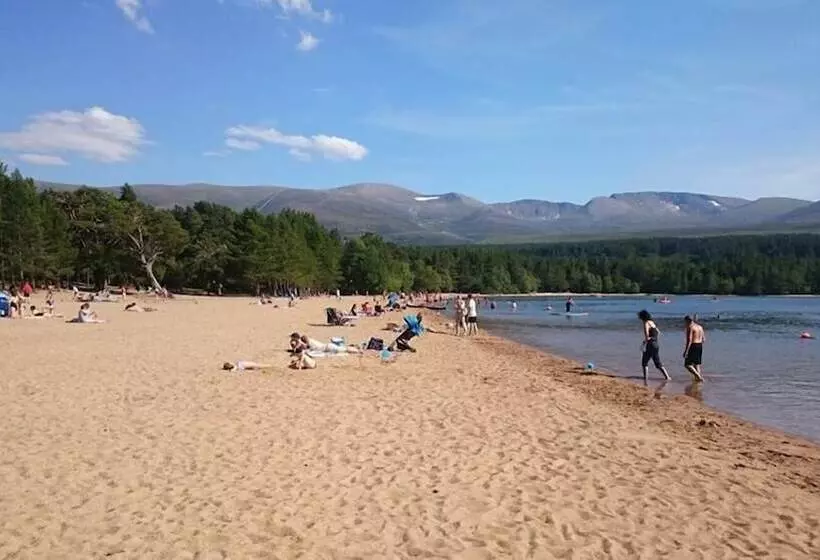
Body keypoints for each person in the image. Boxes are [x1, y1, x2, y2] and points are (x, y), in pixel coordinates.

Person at [638, 310, 671, 381]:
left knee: (644, 362)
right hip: (656, 344)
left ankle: (645, 378)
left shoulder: (646, 323)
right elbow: (658, 333)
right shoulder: (652, 323)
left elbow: (646, 336)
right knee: (657, 362)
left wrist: (644, 342)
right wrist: (653, 338)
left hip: (650, 345)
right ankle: (667, 377)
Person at [683, 315, 705, 382]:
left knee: (687, 365)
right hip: (700, 345)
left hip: (693, 345)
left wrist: (686, 351)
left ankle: (699, 377)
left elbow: (689, 340)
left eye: (685, 322)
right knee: (697, 364)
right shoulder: (700, 327)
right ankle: (697, 379)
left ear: (688, 321)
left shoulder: (690, 327)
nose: (685, 323)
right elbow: (704, 339)